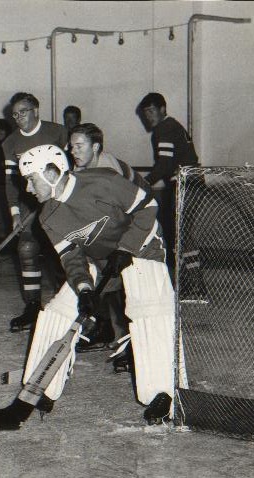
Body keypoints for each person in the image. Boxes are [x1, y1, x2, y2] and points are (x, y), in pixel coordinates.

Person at [18, 143, 176, 424]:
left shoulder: (103, 181)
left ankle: (162, 393)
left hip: (141, 246)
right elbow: (71, 256)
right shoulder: (47, 215)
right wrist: (84, 289)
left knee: (149, 309)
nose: (28, 188)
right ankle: (42, 385)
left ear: (51, 173)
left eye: (31, 179)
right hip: (99, 258)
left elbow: (148, 206)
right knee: (59, 310)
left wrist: (126, 248)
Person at [68, 122, 152, 362]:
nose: (73, 151)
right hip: (113, 219)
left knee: (125, 279)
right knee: (102, 269)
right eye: (71, 146)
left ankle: (134, 343)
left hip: (140, 216)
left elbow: (128, 213)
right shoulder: (80, 166)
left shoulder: (108, 170)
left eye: (79, 146)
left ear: (95, 147)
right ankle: (106, 329)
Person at [1, 92, 68, 331]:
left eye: (23, 112)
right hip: (30, 202)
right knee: (26, 248)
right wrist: (15, 213)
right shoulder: (10, 143)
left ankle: (67, 303)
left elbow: (71, 167)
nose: (18, 117)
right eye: (15, 114)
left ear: (36, 111)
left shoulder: (58, 132)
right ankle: (32, 306)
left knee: (61, 251)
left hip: (59, 200)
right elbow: (10, 182)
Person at [137, 92, 207, 301]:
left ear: (162, 109)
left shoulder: (165, 128)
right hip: (191, 183)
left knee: (181, 235)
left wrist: (143, 183)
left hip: (186, 185)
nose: (148, 116)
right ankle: (191, 284)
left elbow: (165, 165)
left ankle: (195, 286)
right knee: (182, 234)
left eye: (151, 111)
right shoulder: (172, 125)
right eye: (145, 113)